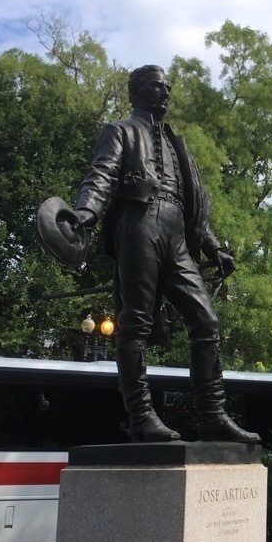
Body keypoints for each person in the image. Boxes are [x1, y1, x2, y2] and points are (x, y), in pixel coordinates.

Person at [71, 64, 259, 444]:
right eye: (158, 87)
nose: (166, 93)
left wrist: (213, 246)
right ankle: (140, 416)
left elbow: (193, 205)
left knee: (206, 322)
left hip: (176, 230)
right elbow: (101, 174)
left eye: (168, 87)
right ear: (138, 91)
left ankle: (213, 415)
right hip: (139, 221)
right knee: (135, 321)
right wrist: (84, 213)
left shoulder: (177, 143)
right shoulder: (120, 129)